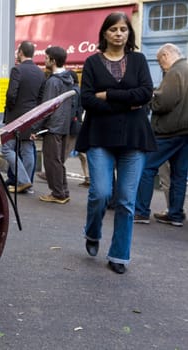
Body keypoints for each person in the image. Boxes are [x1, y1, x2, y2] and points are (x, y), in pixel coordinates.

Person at [75, 12, 156, 274]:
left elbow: (145, 93)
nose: (119, 33)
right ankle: (92, 232)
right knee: (100, 193)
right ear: (105, 34)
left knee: (126, 201)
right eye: (114, 29)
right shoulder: (91, 62)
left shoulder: (139, 60)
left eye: (124, 29)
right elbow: (86, 99)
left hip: (134, 138)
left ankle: (119, 255)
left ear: (129, 34)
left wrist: (109, 95)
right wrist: (125, 104)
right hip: (100, 136)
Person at [134, 43, 188, 227]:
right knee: (179, 174)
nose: (160, 65)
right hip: (185, 133)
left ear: (166, 55)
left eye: (159, 61)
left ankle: (141, 212)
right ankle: (175, 215)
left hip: (168, 131)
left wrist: (152, 99)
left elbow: (164, 102)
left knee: (147, 168)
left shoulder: (175, 71)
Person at [1, 40, 46, 193]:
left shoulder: (17, 70)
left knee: (6, 149)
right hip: (32, 116)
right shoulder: (41, 73)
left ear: (20, 53)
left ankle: (24, 181)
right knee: (27, 149)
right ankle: (27, 184)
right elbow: (41, 98)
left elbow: (11, 94)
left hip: (16, 116)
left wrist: (11, 110)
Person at [32, 46, 73, 204]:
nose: (45, 60)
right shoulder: (68, 80)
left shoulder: (53, 81)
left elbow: (46, 108)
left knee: (51, 161)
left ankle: (58, 194)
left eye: (47, 58)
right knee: (58, 161)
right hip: (64, 125)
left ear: (53, 61)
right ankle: (63, 190)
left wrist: (35, 128)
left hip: (53, 126)